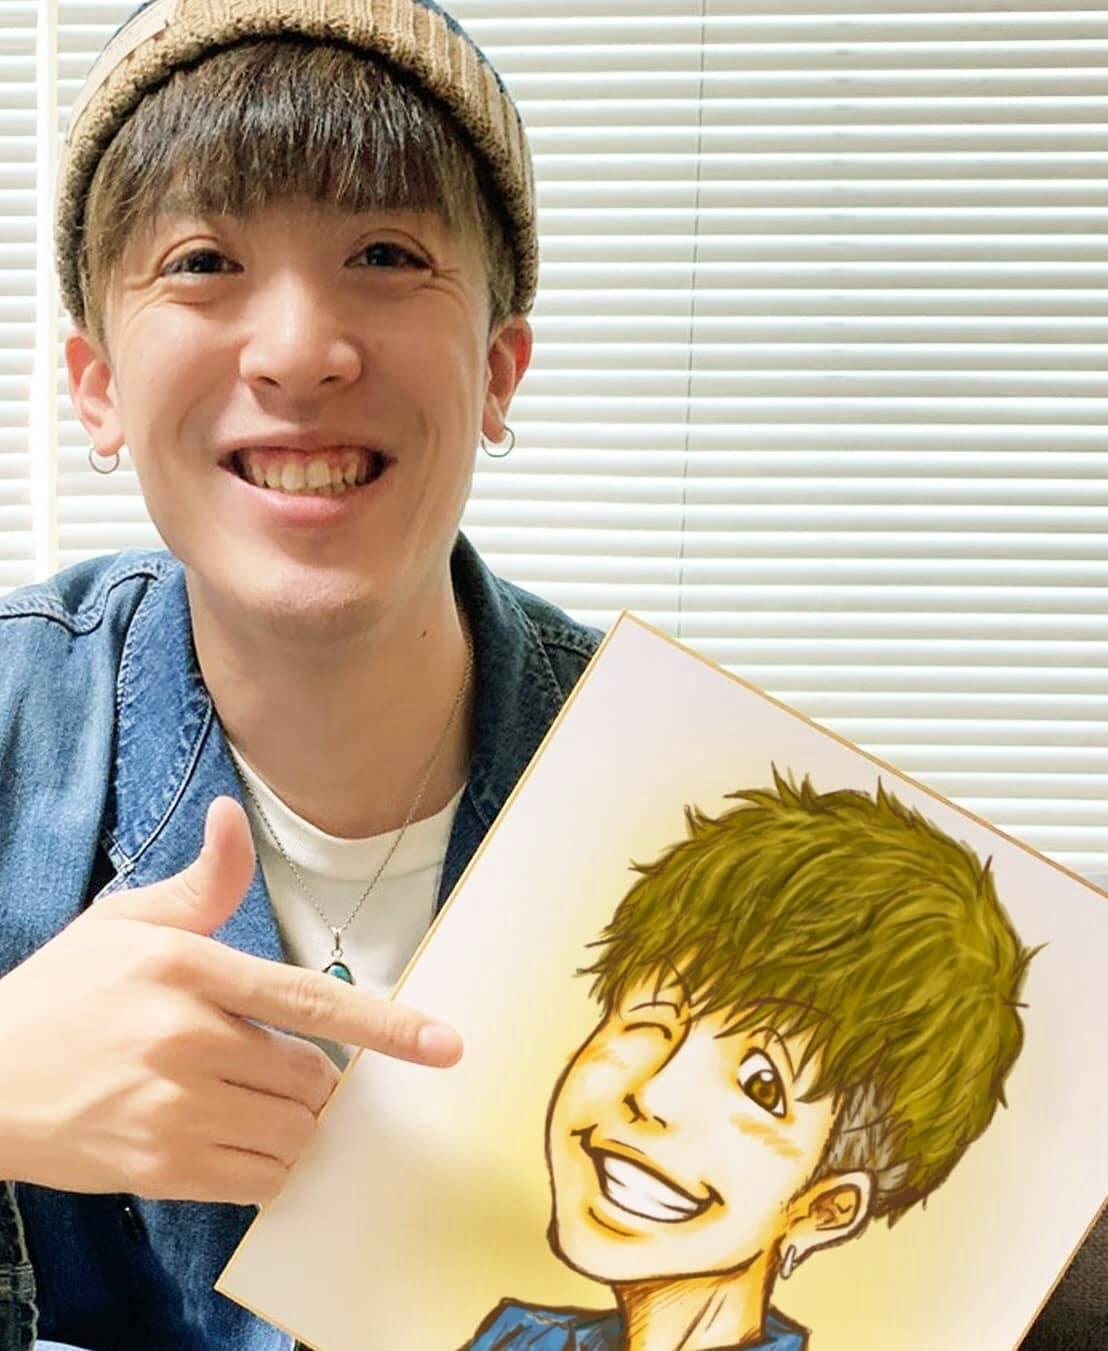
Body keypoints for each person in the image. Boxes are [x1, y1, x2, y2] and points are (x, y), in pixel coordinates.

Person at [0, 1, 599, 1347]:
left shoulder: (680, 796)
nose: (298, 351)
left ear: (498, 370)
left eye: (385, 254)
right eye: (204, 262)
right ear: (97, 385)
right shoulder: (12, 720)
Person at [464, 776, 1033, 1351]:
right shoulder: (520, 1341)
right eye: (653, 1021)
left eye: (761, 1085)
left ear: (823, 1210)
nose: (653, 1095)